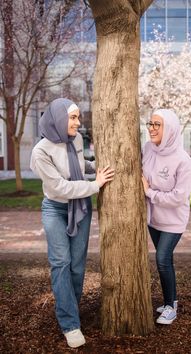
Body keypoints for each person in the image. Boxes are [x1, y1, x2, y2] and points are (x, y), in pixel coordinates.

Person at [30, 98, 114, 348]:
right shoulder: (40, 152)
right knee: (61, 263)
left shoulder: (76, 139)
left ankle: (70, 308)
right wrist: (94, 185)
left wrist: (98, 168)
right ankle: (70, 323)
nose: (79, 122)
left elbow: (79, 166)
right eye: (74, 117)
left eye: (78, 117)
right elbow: (59, 186)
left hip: (80, 208)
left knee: (77, 266)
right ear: (58, 117)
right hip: (56, 209)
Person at [142, 109, 191, 325]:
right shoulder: (148, 148)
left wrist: (149, 192)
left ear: (170, 129)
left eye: (158, 125)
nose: (152, 129)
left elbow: (178, 198)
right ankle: (168, 301)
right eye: (150, 123)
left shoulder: (184, 161)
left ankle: (171, 308)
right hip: (154, 218)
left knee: (162, 259)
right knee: (166, 261)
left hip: (174, 220)